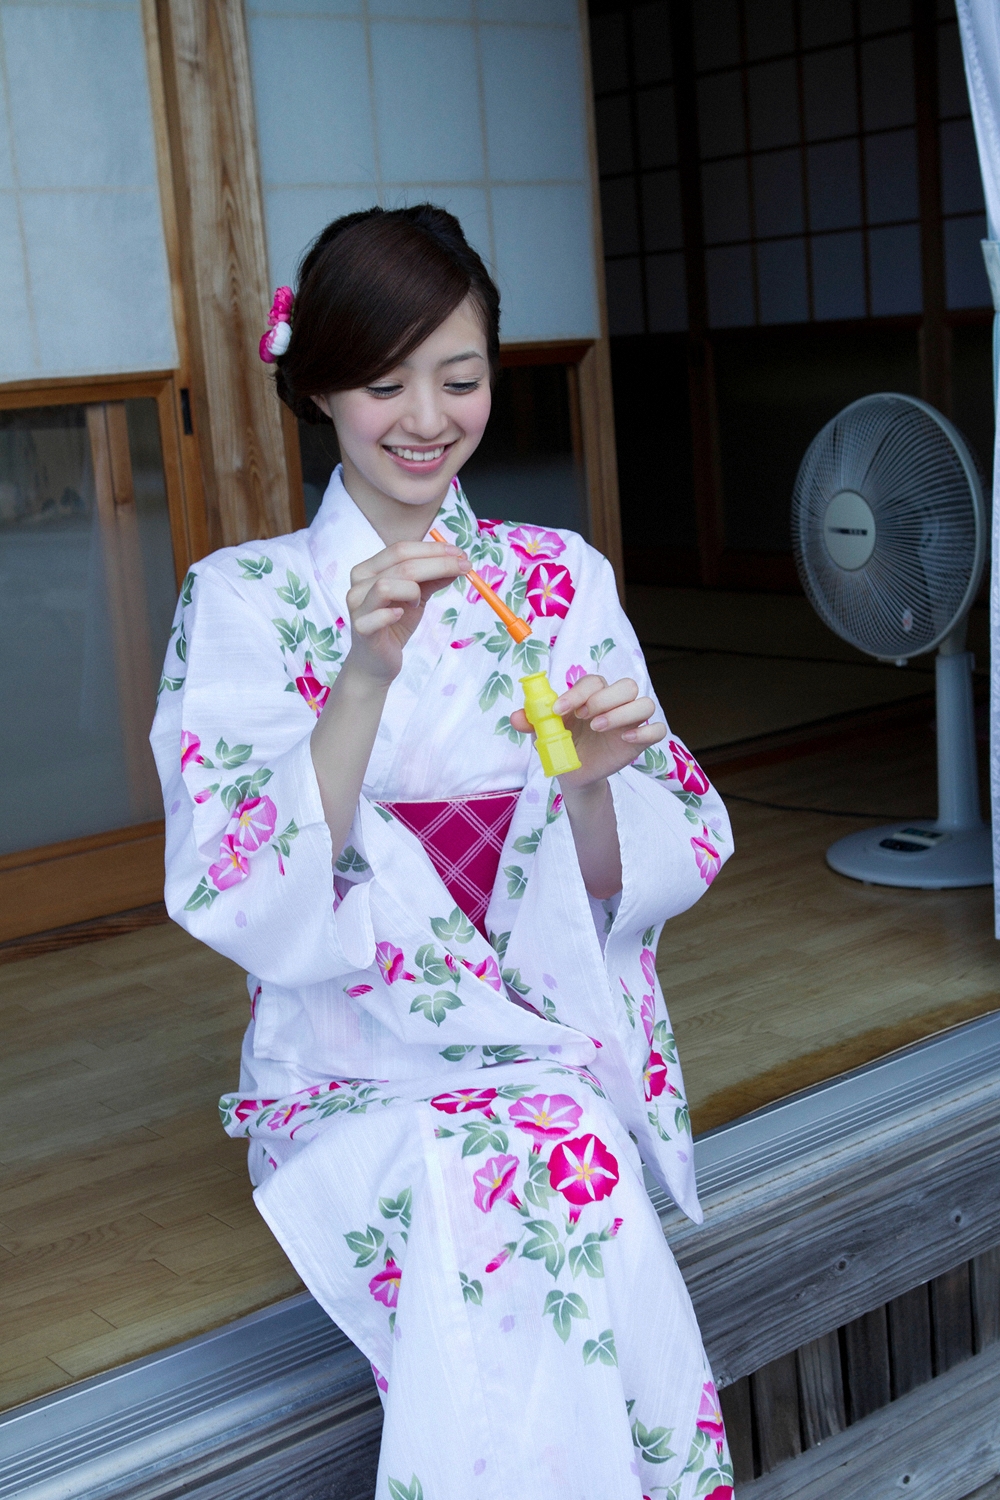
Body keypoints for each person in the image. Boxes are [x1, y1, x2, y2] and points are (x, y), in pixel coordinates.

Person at [151, 205, 734, 1500]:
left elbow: (638, 868)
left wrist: (589, 791)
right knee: (524, 1172)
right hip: (350, 1062)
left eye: (459, 379)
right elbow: (241, 880)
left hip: (538, 1040)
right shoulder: (244, 599)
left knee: (556, 1156)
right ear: (316, 388)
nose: (426, 418)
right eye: (384, 382)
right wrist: (362, 672)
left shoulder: (559, 578)